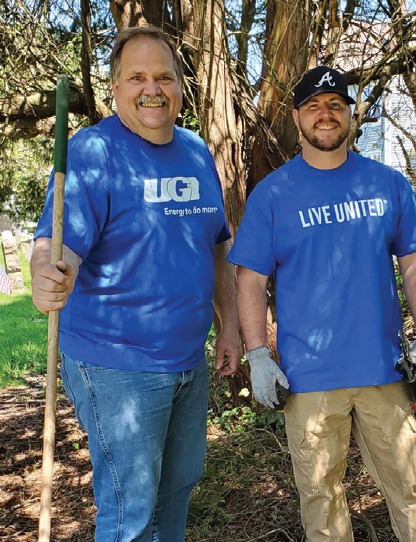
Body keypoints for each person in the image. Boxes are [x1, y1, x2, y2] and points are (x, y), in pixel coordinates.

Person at [31, 25, 241, 542]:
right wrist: (45, 273)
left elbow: (215, 245)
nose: (153, 88)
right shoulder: (93, 150)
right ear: (116, 87)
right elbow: (56, 244)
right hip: (116, 363)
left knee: (177, 491)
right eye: (137, 77)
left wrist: (230, 326)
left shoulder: (195, 152)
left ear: (180, 85)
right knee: (131, 513)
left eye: (165, 76)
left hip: (187, 361)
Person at [228, 66, 416, 542]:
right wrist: (259, 356)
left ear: (350, 114)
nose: (325, 115)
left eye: (335, 105)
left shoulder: (387, 184)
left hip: (384, 371)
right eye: (313, 106)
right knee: (321, 503)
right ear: (297, 117)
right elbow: (250, 281)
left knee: (411, 491)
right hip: (308, 381)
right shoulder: (273, 194)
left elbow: (414, 261)